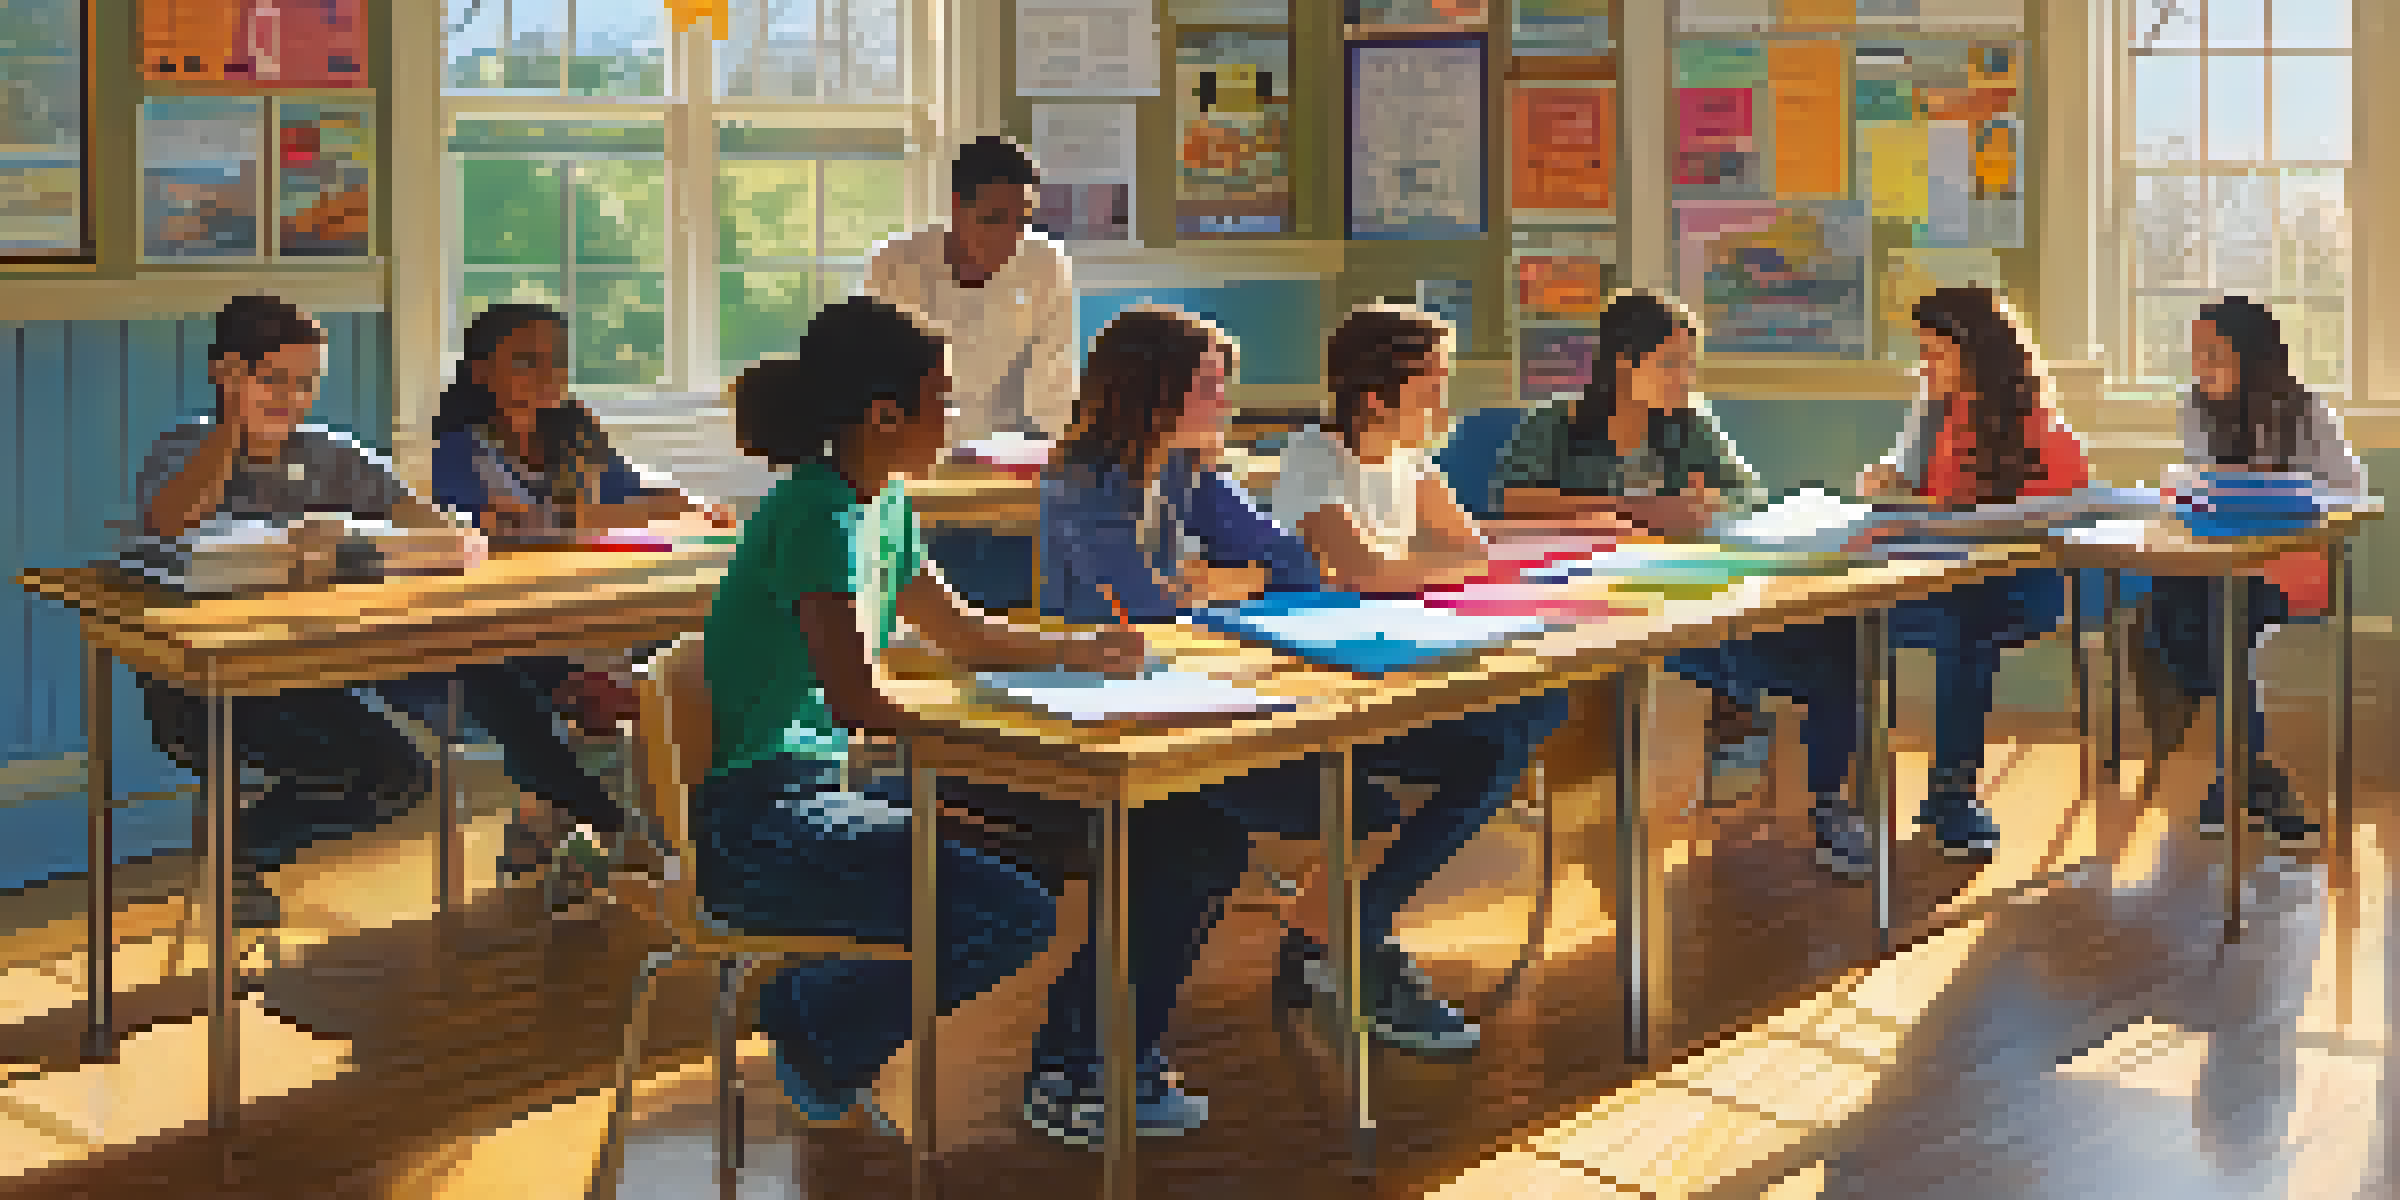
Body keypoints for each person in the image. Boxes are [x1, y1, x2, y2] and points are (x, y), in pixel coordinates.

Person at [700, 295, 1141, 1132]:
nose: (953, 418)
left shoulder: (885, 501)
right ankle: (809, 1017)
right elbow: (857, 700)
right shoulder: (818, 515)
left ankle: (820, 1007)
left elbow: (962, 635)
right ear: (884, 414)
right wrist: (1007, 731)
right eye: (944, 399)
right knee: (1013, 914)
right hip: (755, 823)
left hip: (828, 792)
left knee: (1056, 856)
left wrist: (1078, 652)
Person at [1020, 306, 1328, 1144]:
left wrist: (1225, 582)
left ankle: (1105, 1044)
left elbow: (1295, 562)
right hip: (1091, 727)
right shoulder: (1083, 481)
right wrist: (1223, 585)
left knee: (1229, 833)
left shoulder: (1188, 472)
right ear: (1151, 393)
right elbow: (1140, 611)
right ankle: (1080, 1057)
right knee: (1201, 840)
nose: (1226, 401)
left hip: (1176, 702)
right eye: (1207, 385)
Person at [1677, 286, 2091, 864]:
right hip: (1926, 576)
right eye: (1921, 350)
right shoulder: (1932, 409)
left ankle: (1950, 798)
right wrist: (1891, 487)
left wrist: (1949, 513)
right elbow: (1912, 490)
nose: (1924, 365)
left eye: (1936, 351)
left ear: (1977, 353)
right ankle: (1830, 793)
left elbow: (2064, 496)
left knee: (1966, 631)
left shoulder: (2032, 420)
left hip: (2011, 585)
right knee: (1838, 620)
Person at [1264, 303, 1571, 1051]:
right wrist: (1418, 573)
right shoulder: (1316, 458)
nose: (1444, 398)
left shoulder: (1408, 461)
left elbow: (1470, 554)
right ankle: (1347, 939)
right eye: (1432, 380)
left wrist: (1414, 573)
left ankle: (1337, 932)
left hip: (1397, 681)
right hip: (1325, 700)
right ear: (1375, 395)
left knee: (1539, 707)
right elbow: (1364, 569)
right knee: (1497, 744)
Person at [130, 295, 467, 927]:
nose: (292, 397)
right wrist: (230, 431)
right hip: (202, 688)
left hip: (304, 680)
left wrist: (355, 544)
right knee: (336, 764)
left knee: (406, 778)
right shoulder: (184, 448)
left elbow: (447, 535)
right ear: (225, 375)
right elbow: (168, 522)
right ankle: (236, 854)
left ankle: (241, 846)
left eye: (308, 382)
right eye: (272, 379)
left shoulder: (331, 456)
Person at [393, 303, 733, 901]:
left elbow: (623, 493)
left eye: (557, 361)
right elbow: (506, 529)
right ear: (481, 371)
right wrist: (589, 517)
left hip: (579, 611)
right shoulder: (460, 449)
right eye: (526, 362)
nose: (547, 374)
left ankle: (555, 821)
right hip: (500, 625)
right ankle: (604, 825)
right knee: (554, 684)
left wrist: (686, 499)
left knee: (684, 656)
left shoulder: (574, 429)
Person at [1493, 290, 1779, 779]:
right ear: (1625, 363)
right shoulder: (1555, 423)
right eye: (1671, 364)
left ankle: (1729, 715)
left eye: (1690, 365)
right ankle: (1724, 715)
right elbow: (1517, 502)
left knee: (1721, 610)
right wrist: (1630, 508)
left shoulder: (1690, 425)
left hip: (1667, 578)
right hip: (1575, 582)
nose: (1685, 379)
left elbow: (1749, 497)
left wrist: (1710, 504)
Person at [2145, 297, 2367, 846]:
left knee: (2214, 621)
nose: (2199, 366)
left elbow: (2353, 493)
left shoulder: (2307, 412)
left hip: (2290, 567)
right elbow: (2200, 487)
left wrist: (2288, 494)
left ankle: (2238, 779)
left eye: (2213, 353)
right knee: (2170, 600)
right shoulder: (2193, 408)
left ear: (2252, 356)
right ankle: (2253, 780)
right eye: (2195, 354)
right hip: (2215, 565)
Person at [867, 134, 1075, 613]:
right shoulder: (896, 265)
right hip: (913, 453)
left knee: (1016, 591)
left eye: (1022, 222)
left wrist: (1060, 460)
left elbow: (1054, 376)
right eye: (992, 220)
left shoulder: (1045, 264)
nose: (1008, 238)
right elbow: (879, 378)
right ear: (957, 209)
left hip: (1008, 456)